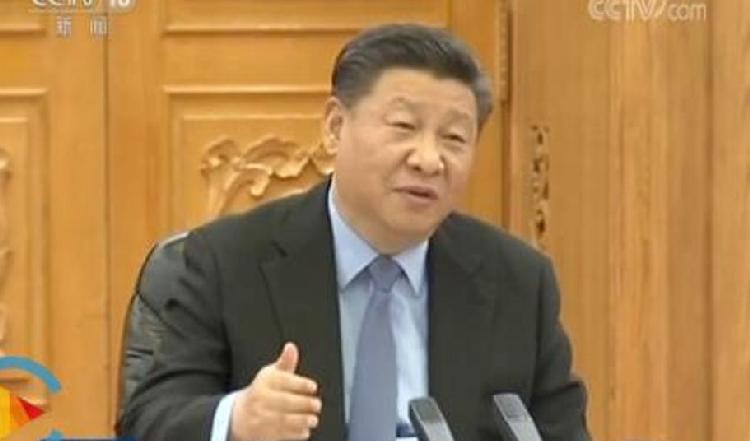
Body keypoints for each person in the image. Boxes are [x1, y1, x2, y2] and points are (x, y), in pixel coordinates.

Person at [118, 23, 590, 441]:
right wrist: (238, 419)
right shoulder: (228, 260)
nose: (429, 160)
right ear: (334, 127)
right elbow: (149, 419)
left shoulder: (517, 281)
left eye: (454, 138)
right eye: (404, 126)